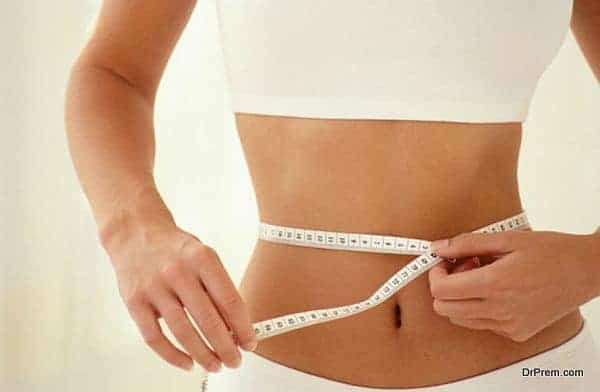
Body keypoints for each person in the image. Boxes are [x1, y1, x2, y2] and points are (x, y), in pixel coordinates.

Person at [65, 1, 600, 390]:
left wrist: (592, 263)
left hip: (537, 371)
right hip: (282, 373)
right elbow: (114, 71)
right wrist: (132, 231)